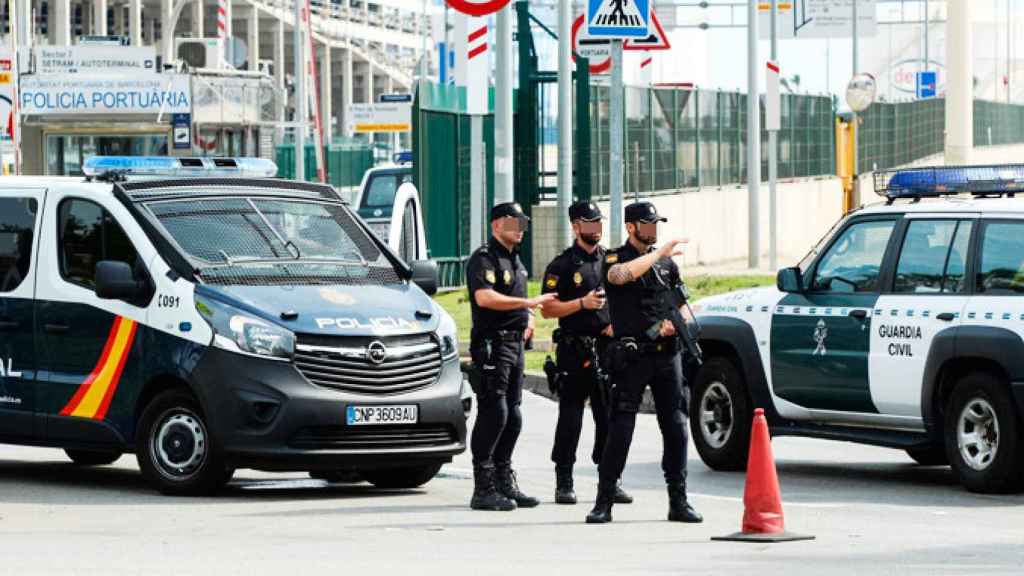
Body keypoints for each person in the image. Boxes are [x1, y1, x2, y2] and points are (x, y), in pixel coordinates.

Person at [585, 201, 703, 525]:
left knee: (677, 427)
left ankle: (678, 501)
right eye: (647, 224)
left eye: (656, 225)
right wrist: (658, 253)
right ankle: (604, 500)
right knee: (621, 428)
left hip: (667, 356)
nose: (652, 230)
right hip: (632, 357)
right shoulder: (615, 258)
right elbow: (620, 276)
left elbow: (681, 307)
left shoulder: (667, 266)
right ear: (630, 227)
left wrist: (675, 325)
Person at [465, 202, 556, 511]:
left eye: (523, 222)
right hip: (492, 344)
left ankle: (505, 480)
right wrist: (527, 303)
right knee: (494, 412)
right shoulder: (484, 258)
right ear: (495, 225)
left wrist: (528, 318)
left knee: (513, 415)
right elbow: (485, 297)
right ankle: (483, 487)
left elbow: (522, 305)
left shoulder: (515, 260)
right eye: (513, 221)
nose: (520, 227)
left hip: (515, 345)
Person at [540, 201, 632, 506]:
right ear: (576, 227)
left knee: (609, 416)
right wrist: (582, 304)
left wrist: (615, 325)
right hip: (574, 347)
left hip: (607, 349)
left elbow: (627, 298)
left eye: (598, 223)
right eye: (589, 223)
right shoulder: (562, 265)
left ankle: (610, 479)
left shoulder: (612, 260)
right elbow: (547, 308)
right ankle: (564, 479)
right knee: (571, 417)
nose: (595, 229)